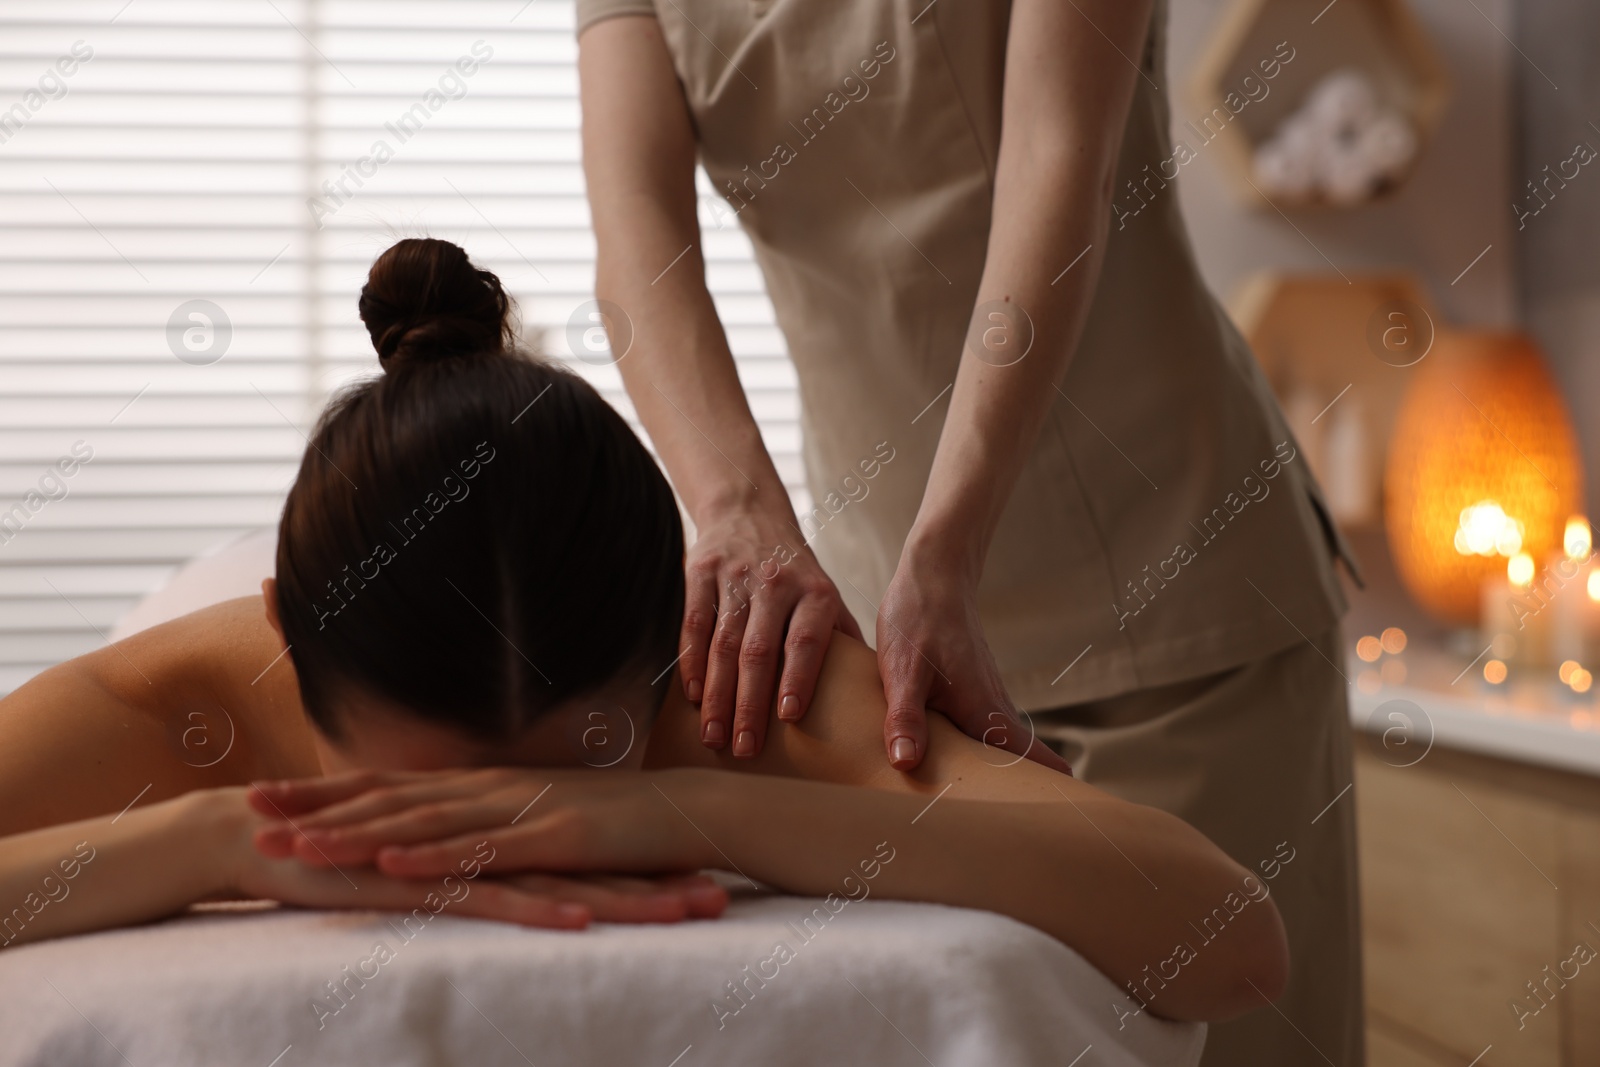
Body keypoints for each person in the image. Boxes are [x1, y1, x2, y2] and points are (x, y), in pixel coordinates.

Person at [0, 239, 1287, 1027]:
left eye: (561, 774)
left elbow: (1230, 940)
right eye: (423, 795)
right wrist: (217, 837)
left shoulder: (734, 694)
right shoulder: (190, 705)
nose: (490, 844)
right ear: (286, 643)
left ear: (666, 648)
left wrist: (680, 810)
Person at [575, 1, 1364, 1061]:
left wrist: (947, 546)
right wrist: (737, 514)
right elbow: (638, 250)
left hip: (1175, 602)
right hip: (893, 672)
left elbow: (1057, 160)